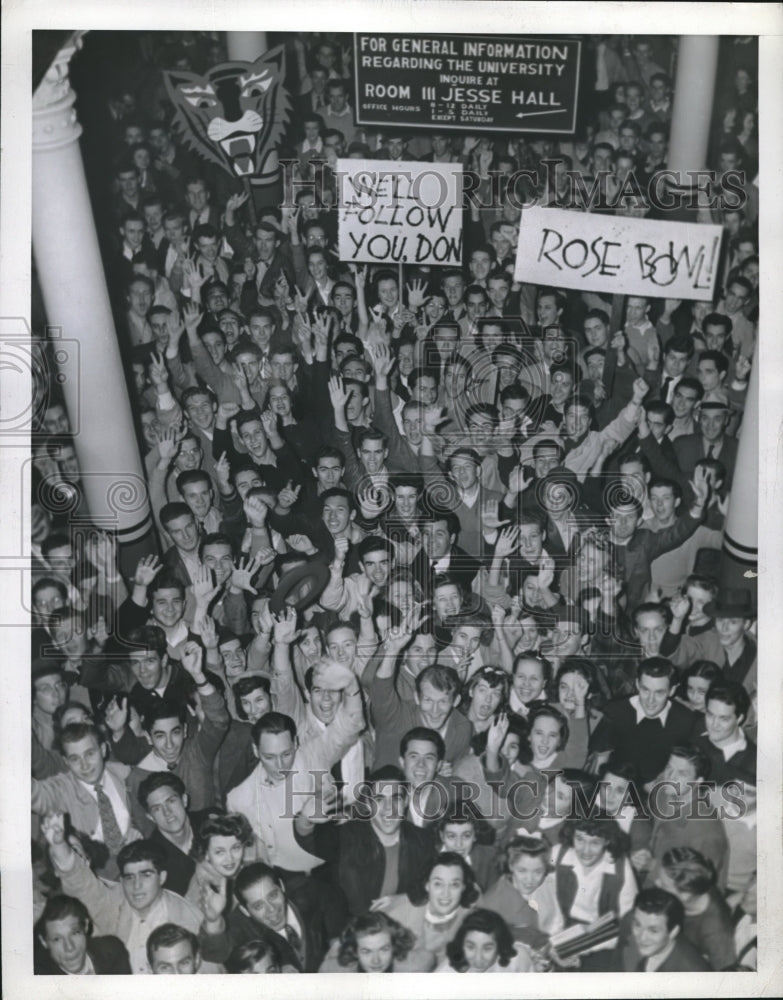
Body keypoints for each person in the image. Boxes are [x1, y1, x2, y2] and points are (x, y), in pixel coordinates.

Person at [42, 815, 203, 975]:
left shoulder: (187, 917)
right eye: (129, 877)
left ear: (162, 877)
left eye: (146, 875)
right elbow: (82, 886)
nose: (136, 885)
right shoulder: (115, 902)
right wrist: (59, 845)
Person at [293, 764, 436, 916]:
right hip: (355, 931)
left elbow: (434, 885)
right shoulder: (349, 835)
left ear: (406, 801)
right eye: (379, 799)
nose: (389, 809)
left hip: (402, 928)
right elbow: (311, 841)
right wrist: (305, 819)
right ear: (368, 803)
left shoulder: (423, 840)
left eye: (396, 799)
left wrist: (406, 899)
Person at [381, 852, 480, 961]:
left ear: (463, 887)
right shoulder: (395, 917)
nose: (446, 894)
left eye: (454, 885)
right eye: (438, 884)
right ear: (427, 885)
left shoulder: (471, 920)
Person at [616, 888, 711, 971]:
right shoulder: (628, 923)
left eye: (653, 931)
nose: (642, 937)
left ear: (673, 932)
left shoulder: (693, 975)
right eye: (637, 925)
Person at [34, 894, 131, 975]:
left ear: (86, 926)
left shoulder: (112, 952)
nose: (69, 947)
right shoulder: (39, 976)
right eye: (57, 939)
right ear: (43, 941)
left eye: (75, 933)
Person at [319, 911, 436, 972]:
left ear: (394, 946)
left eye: (384, 949)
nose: (376, 961)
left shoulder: (415, 967)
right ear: (354, 950)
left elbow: (428, 957)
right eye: (366, 951)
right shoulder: (334, 972)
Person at [440, 908, 536, 972]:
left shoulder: (518, 959)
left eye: (487, 948)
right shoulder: (447, 973)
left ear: (500, 945)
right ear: (461, 944)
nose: (478, 958)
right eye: (470, 947)